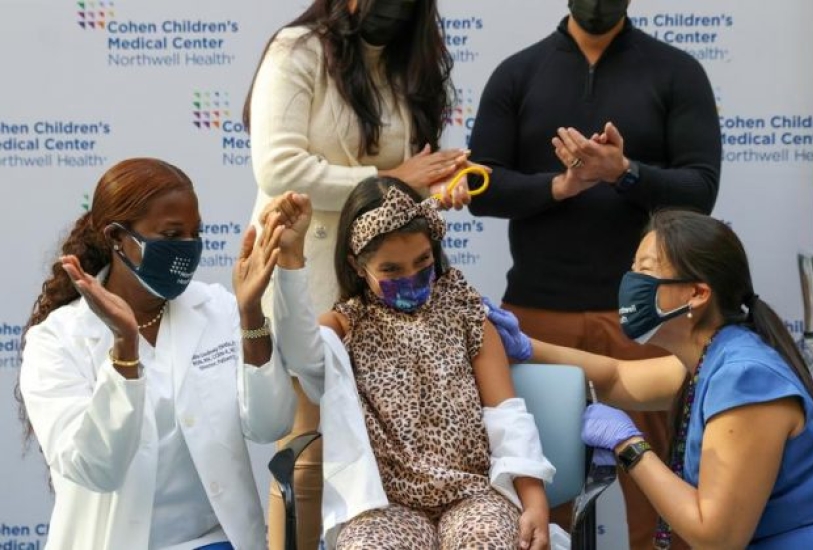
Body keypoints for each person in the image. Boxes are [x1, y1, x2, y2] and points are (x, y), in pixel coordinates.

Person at [467, 0, 721, 546]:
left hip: (647, 316)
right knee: (535, 497)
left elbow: (701, 190)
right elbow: (479, 189)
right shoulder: (519, 72)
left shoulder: (676, 71)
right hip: (537, 317)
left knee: (660, 495)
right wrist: (557, 187)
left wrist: (624, 173)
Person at [242, 1, 477, 546]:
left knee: (386, 461)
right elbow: (279, 170)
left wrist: (437, 187)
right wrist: (395, 177)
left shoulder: (407, 60)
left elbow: (403, 189)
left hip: (384, 290)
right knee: (306, 455)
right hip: (305, 273)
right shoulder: (296, 51)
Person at [495, 209, 813, 548]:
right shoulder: (713, 357)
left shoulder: (745, 377)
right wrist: (523, 345)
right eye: (633, 268)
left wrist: (629, 446)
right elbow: (617, 378)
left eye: (646, 271)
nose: (631, 282)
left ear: (697, 293)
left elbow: (718, 538)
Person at [15, 158, 297, 550]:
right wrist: (125, 348)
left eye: (194, 233)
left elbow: (271, 425)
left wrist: (250, 313)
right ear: (116, 237)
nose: (187, 247)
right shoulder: (57, 340)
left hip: (215, 541)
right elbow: (95, 469)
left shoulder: (214, 308)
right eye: (171, 234)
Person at [265, 177, 555, 549]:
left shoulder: (467, 314)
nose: (410, 278)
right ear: (357, 266)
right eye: (391, 270)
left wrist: (534, 501)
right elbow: (297, 349)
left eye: (422, 262)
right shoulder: (344, 325)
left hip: (473, 496)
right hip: (385, 508)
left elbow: (506, 416)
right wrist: (290, 258)